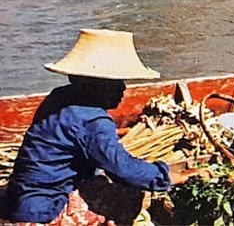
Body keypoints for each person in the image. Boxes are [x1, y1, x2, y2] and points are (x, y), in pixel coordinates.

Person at [1, 29, 206, 224]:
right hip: (42, 211)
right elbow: (123, 169)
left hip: (20, 197)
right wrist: (171, 176)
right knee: (129, 193)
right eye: (116, 82)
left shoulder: (59, 96)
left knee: (101, 181)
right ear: (95, 84)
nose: (123, 88)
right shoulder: (93, 121)